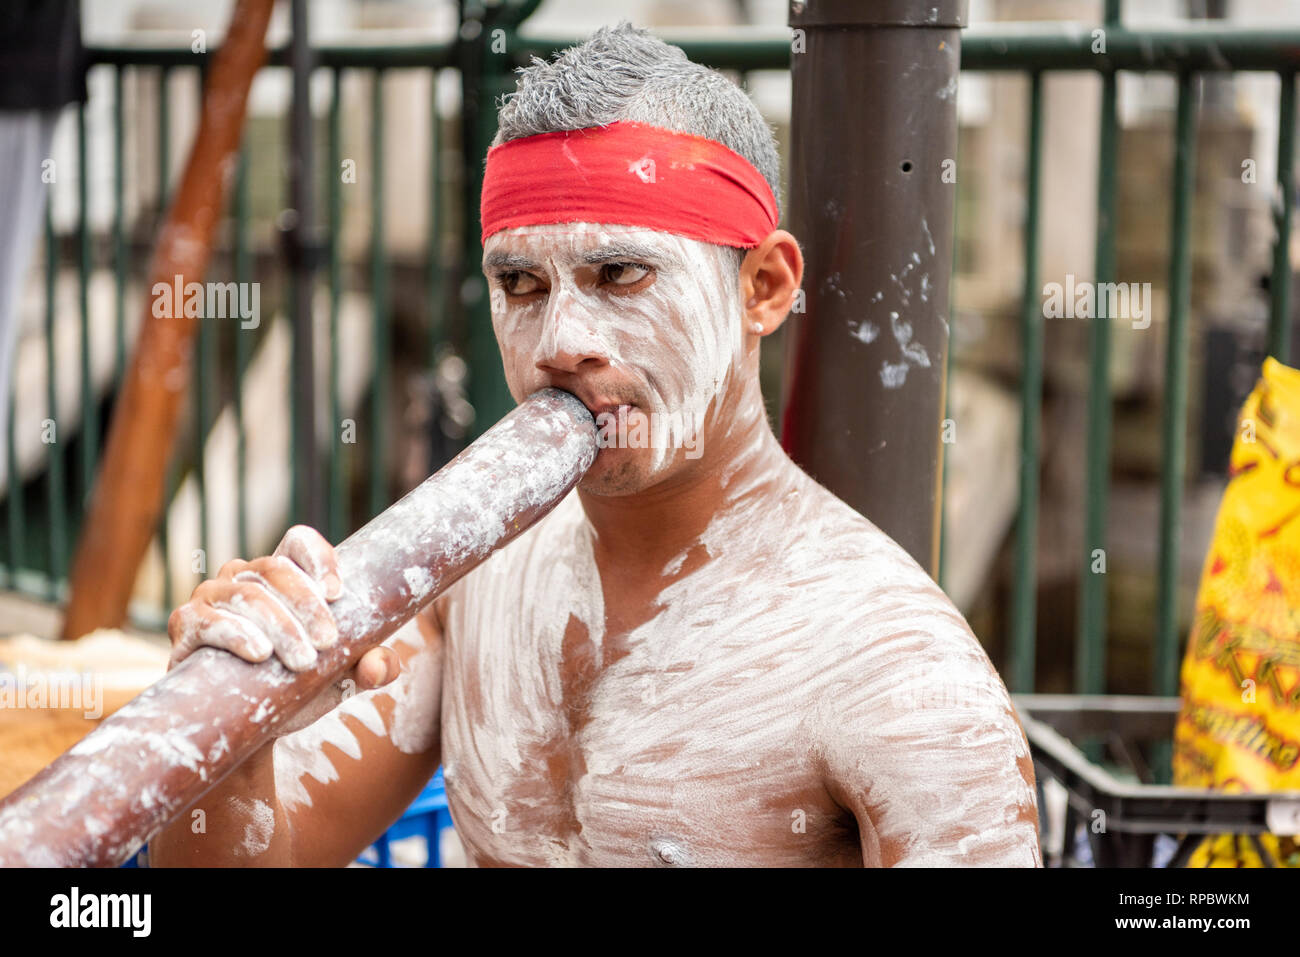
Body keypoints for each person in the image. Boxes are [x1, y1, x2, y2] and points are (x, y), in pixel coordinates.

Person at [152, 21, 1040, 867]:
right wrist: (233, 721)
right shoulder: (471, 581)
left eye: (621, 274)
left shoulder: (900, 673)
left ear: (761, 289)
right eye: (520, 283)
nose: (557, 341)